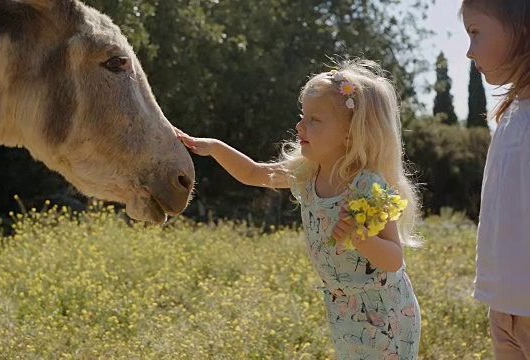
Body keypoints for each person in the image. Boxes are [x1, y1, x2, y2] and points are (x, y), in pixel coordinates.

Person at [176, 58, 421, 359]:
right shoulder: (306, 174)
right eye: (302, 115)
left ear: (349, 133)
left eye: (315, 120)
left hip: (386, 312)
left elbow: (394, 259)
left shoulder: (365, 186)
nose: (300, 125)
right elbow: (254, 173)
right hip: (344, 309)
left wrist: (362, 240)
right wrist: (214, 147)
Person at [461, 1, 530, 358]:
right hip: (504, 304)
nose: (469, 50)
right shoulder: (511, 112)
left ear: (521, 28)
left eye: (475, 32)